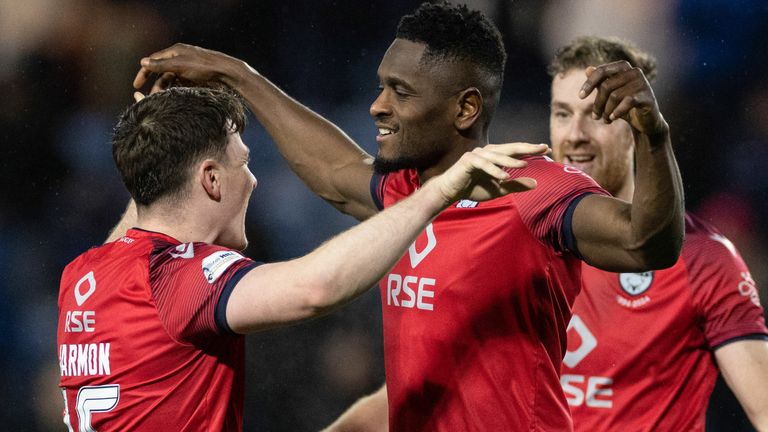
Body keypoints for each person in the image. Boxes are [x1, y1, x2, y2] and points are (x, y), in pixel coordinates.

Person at [132, 3, 685, 430]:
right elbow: (333, 171)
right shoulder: (407, 191)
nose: (378, 105)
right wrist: (237, 75)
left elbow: (646, 244)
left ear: (465, 109)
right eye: (381, 86)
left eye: (400, 92)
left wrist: (653, 136)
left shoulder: (531, 188)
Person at [56, 86, 548, 431]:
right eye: (243, 163)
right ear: (211, 180)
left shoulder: (84, 273)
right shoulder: (183, 278)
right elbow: (316, 289)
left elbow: (143, 216)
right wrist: (436, 194)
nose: (253, 180)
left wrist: (158, 143)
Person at [549, 36, 768, 431]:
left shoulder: (703, 259)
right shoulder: (519, 240)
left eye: (596, 115)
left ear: (636, 125)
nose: (575, 134)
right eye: (562, 114)